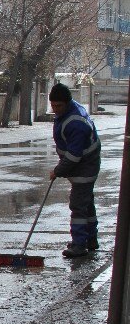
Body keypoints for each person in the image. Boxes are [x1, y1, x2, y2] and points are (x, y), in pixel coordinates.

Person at [48, 82, 101, 258]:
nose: (55, 109)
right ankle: (91, 239)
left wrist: (58, 170)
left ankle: (79, 245)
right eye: (53, 105)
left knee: (78, 206)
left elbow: (74, 155)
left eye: (59, 106)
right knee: (87, 204)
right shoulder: (69, 112)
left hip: (84, 167)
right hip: (86, 165)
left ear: (67, 103)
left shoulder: (75, 122)